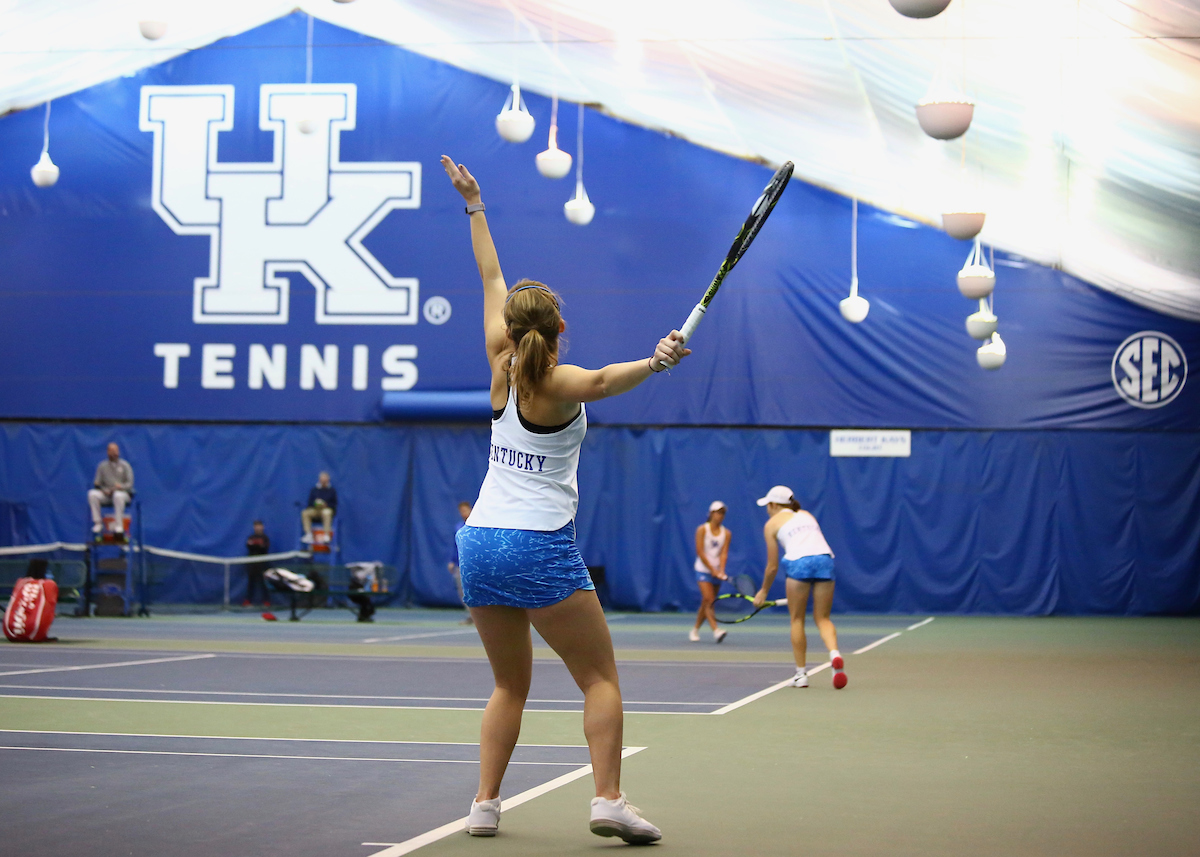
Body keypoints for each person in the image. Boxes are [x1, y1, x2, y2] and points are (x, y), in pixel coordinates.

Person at [443, 154, 689, 845]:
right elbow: (606, 381)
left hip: (478, 543)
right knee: (599, 678)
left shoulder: (499, 362)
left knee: (508, 685)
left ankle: (484, 805)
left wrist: (474, 204)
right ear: (556, 329)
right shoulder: (555, 382)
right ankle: (608, 798)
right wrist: (657, 360)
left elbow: (490, 275)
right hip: (536, 545)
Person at [752, 485, 846, 690]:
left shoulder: (771, 525)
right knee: (823, 618)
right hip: (824, 560)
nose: (767, 509)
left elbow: (772, 566)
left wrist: (763, 591)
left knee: (797, 619)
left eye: (768, 505)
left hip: (799, 563)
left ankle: (801, 675)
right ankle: (834, 654)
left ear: (774, 505)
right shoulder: (807, 515)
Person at [689, 500, 730, 643]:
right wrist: (712, 569)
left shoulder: (727, 533)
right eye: (718, 513)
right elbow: (700, 551)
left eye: (723, 513)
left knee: (706, 602)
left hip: (716, 572)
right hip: (702, 569)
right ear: (711, 514)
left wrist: (721, 571)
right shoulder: (702, 530)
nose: (720, 516)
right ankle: (716, 631)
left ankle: (695, 629)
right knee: (710, 600)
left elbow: (723, 553)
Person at [87, 443, 134, 539]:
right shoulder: (102, 466)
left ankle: (119, 525)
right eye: (112, 451)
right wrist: (104, 490)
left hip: (123, 494)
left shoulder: (125, 465)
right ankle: (98, 523)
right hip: (107, 494)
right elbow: (97, 483)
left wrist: (120, 486)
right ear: (108, 452)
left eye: (116, 451)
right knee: (92, 494)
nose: (114, 453)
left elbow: (130, 484)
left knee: (117, 495)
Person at [447, 501, 474, 625]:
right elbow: (455, 546)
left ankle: (481, 617)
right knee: (462, 591)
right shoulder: (458, 527)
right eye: (461, 511)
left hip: (473, 564)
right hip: (459, 565)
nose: (464, 513)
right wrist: (452, 561)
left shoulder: (476, 526)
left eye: (465, 510)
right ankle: (471, 616)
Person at [300, 472, 337, 544]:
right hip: (315, 510)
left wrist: (326, 505)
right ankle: (308, 534)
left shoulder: (332, 491)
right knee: (305, 513)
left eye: (325, 480)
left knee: (327, 513)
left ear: (328, 480)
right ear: (319, 480)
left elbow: (334, 504)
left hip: (326, 510)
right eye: (322, 480)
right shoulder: (314, 490)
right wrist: (315, 504)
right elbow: (310, 502)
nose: (323, 482)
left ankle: (326, 535)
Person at [244, 521, 271, 608]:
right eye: (256, 526)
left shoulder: (265, 538)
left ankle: (266, 601)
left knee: (264, 583)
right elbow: (249, 546)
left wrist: (256, 545)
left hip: (263, 564)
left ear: (262, 527)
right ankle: (248, 601)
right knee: (251, 583)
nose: (258, 528)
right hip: (252, 564)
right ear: (254, 527)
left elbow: (264, 548)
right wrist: (257, 545)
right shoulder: (251, 537)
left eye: (259, 526)